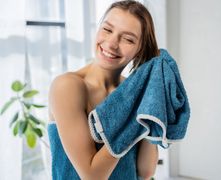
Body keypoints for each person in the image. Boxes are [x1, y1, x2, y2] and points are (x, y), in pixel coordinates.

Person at [48, 1, 159, 179]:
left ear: (140, 50)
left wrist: (151, 103)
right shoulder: (68, 86)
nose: (112, 43)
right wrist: (131, 119)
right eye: (107, 29)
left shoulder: (134, 91)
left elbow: (145, 172)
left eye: (128, 39)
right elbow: (92, 176)